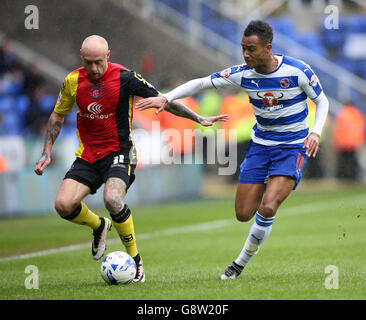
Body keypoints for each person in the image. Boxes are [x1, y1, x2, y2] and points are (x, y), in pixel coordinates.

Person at [136, 20, 329, 280]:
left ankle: (238, 264)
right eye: (243, 48)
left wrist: (315, 132)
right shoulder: (243, 74)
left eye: (251, 49)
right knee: (242, 214)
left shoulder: (298, 71)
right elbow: (201, 83)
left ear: (268, 48)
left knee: (268, 207)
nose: (246, 54)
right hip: (260, 146)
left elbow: (322, 100)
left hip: (292, 146)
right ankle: (264, 208)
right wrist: (166, 97)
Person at [34, 35, 227, 283]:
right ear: (82, 58)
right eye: (88, 62)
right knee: (62, 206)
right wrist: (46, 151)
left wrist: (197, 118)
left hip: (119, 152)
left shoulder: (125, 77)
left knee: (112, 198)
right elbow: (57, 116)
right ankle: (99, 226)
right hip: (88, 156)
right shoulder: (72, 81)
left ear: (108, 56)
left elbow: (163, 100)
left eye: (99, 62)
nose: (94, 68)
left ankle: (135, 260)